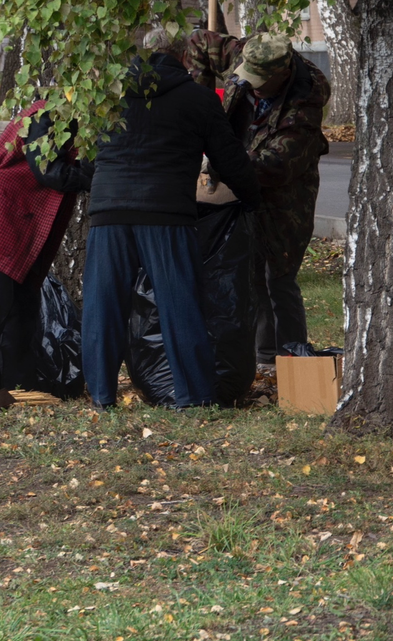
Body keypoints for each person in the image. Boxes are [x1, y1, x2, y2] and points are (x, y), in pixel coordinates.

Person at [81, 27, 262, 410]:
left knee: (103, 305)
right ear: (182, 57)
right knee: (178, 302)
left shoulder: (107, 97)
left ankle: (100, 395)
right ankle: (193, 395)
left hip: (108, 211)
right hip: (166, 212)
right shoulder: (196, 98)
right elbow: (229, 160)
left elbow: (86, 156)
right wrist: (253, 199)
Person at [185, 28, 330, 368]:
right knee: (248, 268)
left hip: (286, 197)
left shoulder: (303, 107)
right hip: (239, 176)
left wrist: (220, 161)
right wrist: (199, 102)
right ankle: (261, 355)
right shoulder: (247, 53)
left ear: (282, 73)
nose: (250, 84)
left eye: (260, 81)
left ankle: (290, 355)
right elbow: (198, 41)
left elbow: (274, 166)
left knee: (277, 274)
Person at [0, 103, 91, 414]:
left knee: (23, 303)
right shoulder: (45, 115)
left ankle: (17, 381)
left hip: (23, 219)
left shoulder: (75, 116)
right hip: (1, 214)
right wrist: (95, 171)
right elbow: (49, 172)